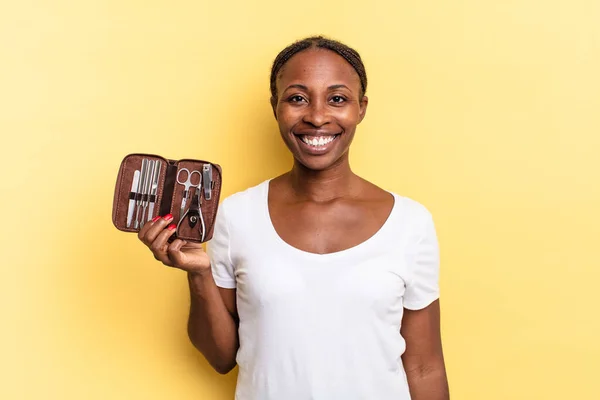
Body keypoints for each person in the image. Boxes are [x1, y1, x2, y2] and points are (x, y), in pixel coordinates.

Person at [138, 36, 450, 400]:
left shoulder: (410, 223)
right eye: (297, 98)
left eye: (337, 98)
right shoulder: (237, 215)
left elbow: (425, 366)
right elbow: (221, 357)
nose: (317, 116)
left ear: (361, 108)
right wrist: (198, 274)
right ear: (275, 106)